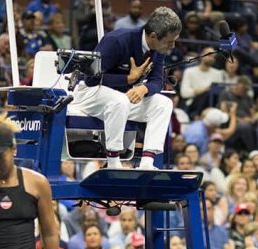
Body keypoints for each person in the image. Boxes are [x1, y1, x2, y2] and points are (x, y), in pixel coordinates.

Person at [71, 7, 181, 169]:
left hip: (121, 98)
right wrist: (128, 78)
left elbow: (157, 81)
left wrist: (145, 89)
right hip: (89, 94)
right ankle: (113, 161)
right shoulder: (116, 41)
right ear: (153, 36)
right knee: (120, 101)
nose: (173, 46)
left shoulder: (158, 49)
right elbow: (90, 79)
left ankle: (147, 162)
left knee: (163, 104)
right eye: (170, 41)